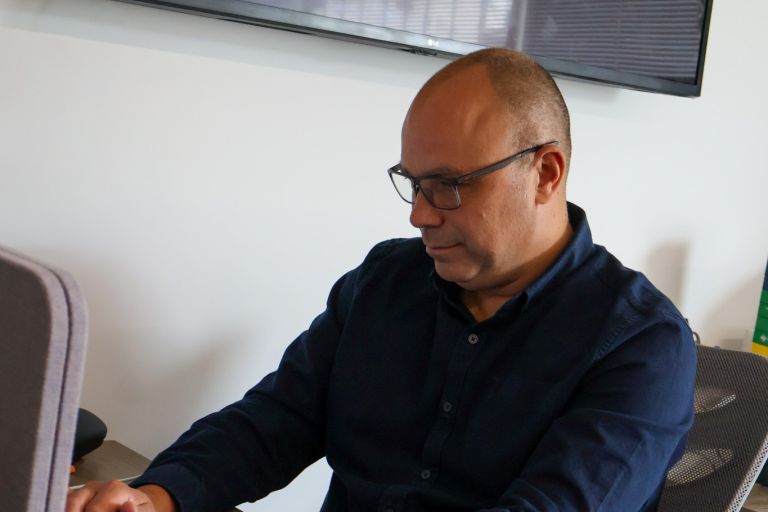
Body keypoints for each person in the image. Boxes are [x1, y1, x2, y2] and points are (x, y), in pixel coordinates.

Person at [67, 48, 696, 512]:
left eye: (449, 186)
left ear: (546, 173)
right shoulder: (385, 282)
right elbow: (272, 421)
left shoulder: (642, 346)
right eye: (413, 184)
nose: (420, 215)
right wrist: (157, 496)